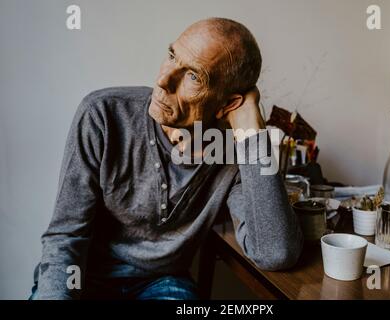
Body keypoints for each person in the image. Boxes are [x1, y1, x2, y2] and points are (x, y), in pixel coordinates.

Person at [30, 17, 303, 300]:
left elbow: (275, 252)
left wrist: (251, 131)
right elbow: (66, 236)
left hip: (161, 282)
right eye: (172, 56)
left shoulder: (232, 151)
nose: (163, 81)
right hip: (85, 274)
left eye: (194, 76)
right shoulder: (103, 115)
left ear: (229, 103)